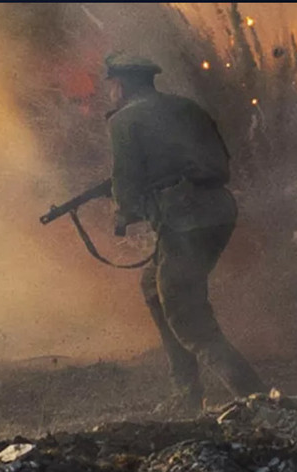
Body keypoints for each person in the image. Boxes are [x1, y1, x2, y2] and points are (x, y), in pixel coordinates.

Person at [104, 53, 267, 414]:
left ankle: (255, 397)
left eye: (111, 84)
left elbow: (126, 184)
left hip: (184, 221)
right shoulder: (187, 107)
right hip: (218, 211)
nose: (110, 91)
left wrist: (123, 212)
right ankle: (187, 394)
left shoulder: (124, 120)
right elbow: (217, 161)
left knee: (186, 314)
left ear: (122, 84)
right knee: (153, 288)